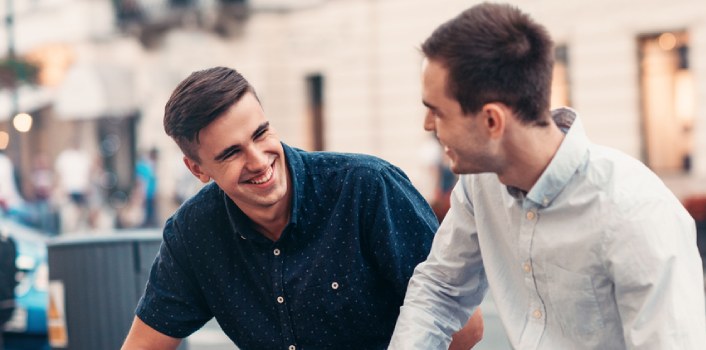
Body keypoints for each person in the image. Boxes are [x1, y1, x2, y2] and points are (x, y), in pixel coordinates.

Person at [390, 3, 706, 349]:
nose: (428, 125)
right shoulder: (479, 183)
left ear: (492, 121)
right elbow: (440, 290)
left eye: (438, 112)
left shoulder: (636, 211)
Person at [121, 67, 482, 350]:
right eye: (231, 153)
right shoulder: (193, 232)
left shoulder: (367, 187)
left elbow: (465, 326)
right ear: (197, 170)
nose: (259, 161)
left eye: (261, 134)